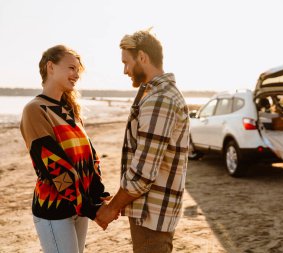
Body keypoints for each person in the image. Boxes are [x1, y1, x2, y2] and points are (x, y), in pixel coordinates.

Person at [96, 30, 190, 253]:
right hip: (152, 213)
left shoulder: (160, 100)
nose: (125, 70)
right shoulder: (155, 94)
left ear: (142, 57)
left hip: (152, 217)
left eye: (126, 62)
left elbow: (143, 173)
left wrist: (111, 209)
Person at [20, 45, 110, 253]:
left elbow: (90, 156)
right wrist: (92, 209)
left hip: (79, 207)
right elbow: (55, 166)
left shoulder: (69, 110)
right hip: (55, 210)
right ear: (51, 67)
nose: (76, 75)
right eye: (71, 68)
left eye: (78, 70)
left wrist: (98, 195)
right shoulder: (35, 110)